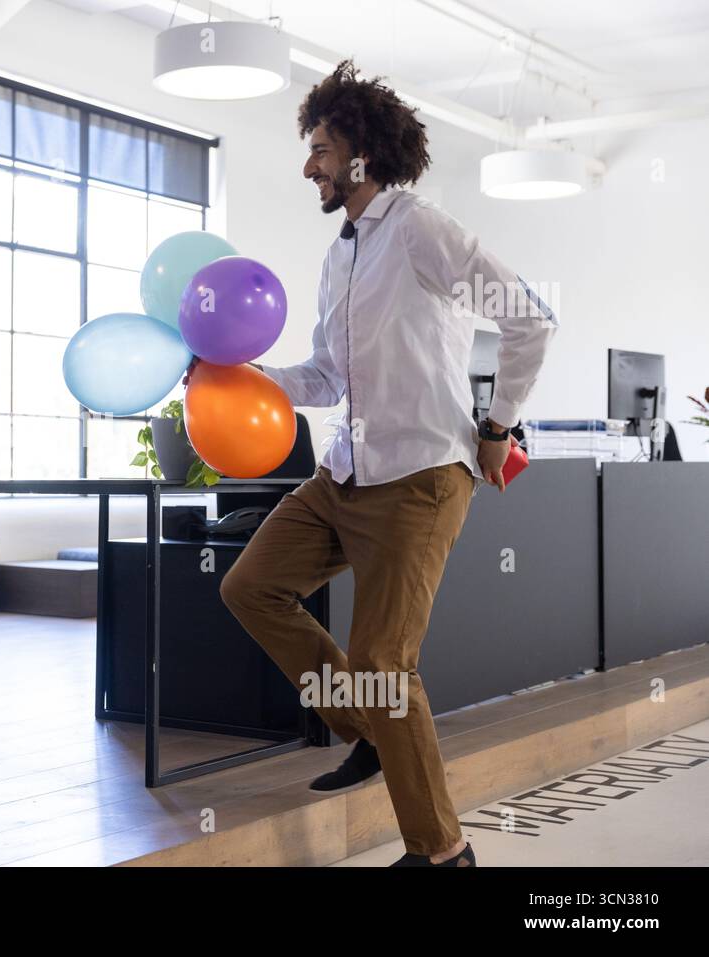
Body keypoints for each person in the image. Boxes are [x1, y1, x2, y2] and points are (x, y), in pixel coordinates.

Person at [187, 61, 556, 866]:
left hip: (421, 477)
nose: (308, 165)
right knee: (249, 585)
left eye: (319, 147)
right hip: (343, 475)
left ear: (359, 153)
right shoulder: (339, 256)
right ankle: (368, 729)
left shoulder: (422, 229)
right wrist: (240, 379)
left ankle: (443, 850)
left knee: (386, 663)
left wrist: (499, 424)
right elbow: (324, 376)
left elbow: (530, 320)